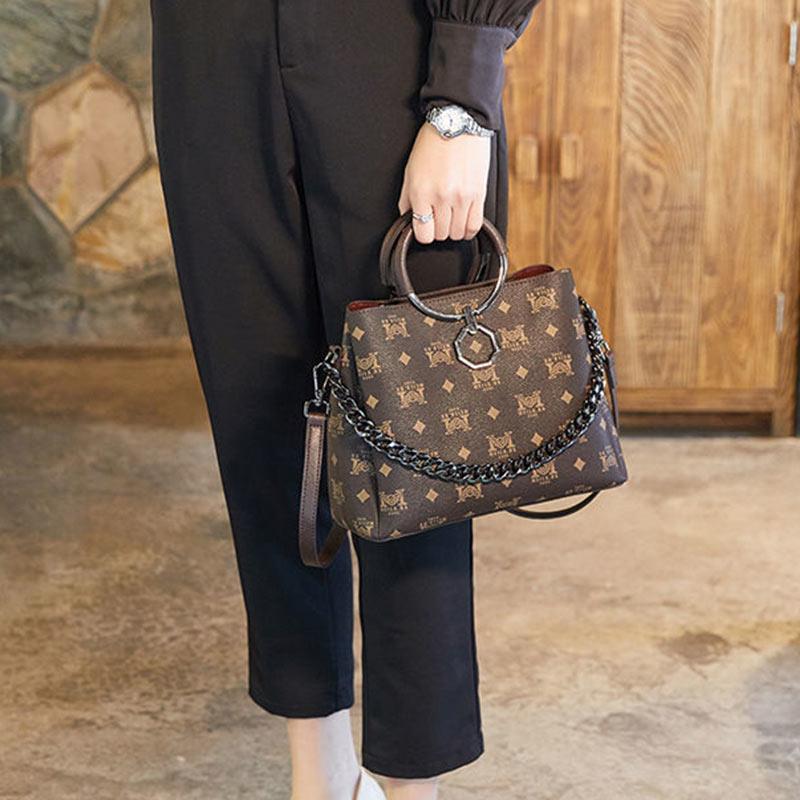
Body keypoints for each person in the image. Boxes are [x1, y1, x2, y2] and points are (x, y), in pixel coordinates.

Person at [148, 1, 542, 798]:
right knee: (264, 432)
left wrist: (463, 96)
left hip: (392, 58)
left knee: (416, 448)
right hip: (210, 54)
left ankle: (412, 785)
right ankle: (322, 778)